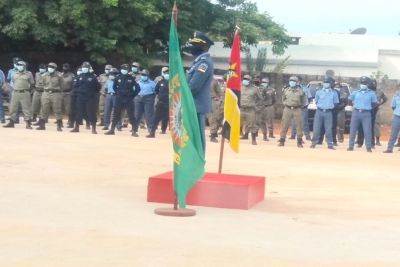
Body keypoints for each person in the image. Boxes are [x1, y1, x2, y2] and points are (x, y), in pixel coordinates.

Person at [186, 30, 214, 154]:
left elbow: (193, 86)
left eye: (195, 45)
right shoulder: (198, 62)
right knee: (191, 135)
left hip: (196, 105)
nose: (192, 47)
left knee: (197, 135)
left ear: (203, 47)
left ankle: (198, 159)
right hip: (192, 104)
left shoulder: (204, 64)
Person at [105, 64, 140, 136]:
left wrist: (132, 95)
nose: (124, 70)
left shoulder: (132, 78)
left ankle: (134, 131)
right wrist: (118, 93)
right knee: (116, 114)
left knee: (131, 115)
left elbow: (138, 89)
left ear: (127, 70)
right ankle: (112, 130)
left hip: (128, 99)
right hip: (119, 98)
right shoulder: (118, 77)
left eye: (125, 69)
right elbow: (114, 87)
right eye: (123, 69)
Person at [347, 76, 378, 152]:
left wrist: (368, 107)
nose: (363, 84)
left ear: (367, 84)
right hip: (356, 112)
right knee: (353, 130)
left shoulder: (371, 93)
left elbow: (375, 104)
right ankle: (351, 146)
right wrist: (355, 106)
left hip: (366, 113)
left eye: (364, 83)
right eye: (362, 83)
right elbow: (349, 101)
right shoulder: (355, 92)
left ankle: (368, 147)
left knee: (367, 130)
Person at [70, 62, 101, 134]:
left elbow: (98, 88)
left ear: (89, 68)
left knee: (91, 112)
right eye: (83, 67)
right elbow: (75, 86)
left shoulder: (93, 77)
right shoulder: (79, 76)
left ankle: (93, 128)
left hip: (90, 97)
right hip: (80, 97)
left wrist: (91, 93)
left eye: (85, 67)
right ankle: (76, 127)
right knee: (78, 112)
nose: (84, 68)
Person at [356, 79, 387, 148]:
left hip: (374, 110)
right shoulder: (365, 91)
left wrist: (379, 104)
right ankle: (360, 142)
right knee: (361, 126)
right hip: (365, 109)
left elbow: (385, 99)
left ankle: (372, 143)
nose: (372, 87)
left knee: (372, 127)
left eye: (373, 86)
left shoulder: (379, 91)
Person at [310, 78, 339, 149]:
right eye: (324, 82)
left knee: (329, 129)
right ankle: (313, 143)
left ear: (330, 84)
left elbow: (336, 103)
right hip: (319, 112)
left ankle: (330, 144)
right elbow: (316, 102)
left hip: (328, 112)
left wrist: (329, 107)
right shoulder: (318, 92)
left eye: (327, 82)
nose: (326, 84)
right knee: (316, 129)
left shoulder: (334, 93)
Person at [3, 61, 34, 129]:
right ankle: (11, 122)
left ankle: (28, 123)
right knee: (13, 108)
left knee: (26, 108)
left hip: (24, 93)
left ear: (24, 66)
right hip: (15, 92)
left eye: (21, 65)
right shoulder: (14, 74)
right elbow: (14, 82)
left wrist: (29, 91)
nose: (19, 66)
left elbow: (32, 84)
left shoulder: (29, 74)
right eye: (18, 65)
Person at [278, 76, 306, 147]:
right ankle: (282, 140)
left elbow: (303, 102)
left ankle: (299, 141)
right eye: (290, 81)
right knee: (284, 125)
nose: (291, 82)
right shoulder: (286, 90)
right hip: (287, 109)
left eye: (293, 81)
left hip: (297, 109)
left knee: (299, 125)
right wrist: (285, 104)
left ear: (297, 83)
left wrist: (299, 107)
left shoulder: (301, 91)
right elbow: (283, 99)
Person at [37, 62, 63, 131]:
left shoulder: (59, 76)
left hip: (56, 93)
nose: (50, 68)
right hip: (46, 93)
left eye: (51, 67)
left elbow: (62, 85)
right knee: (44, 109)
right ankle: (42, 125)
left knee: (57, 109)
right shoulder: (45, 75)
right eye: (49, 67)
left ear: (55, 68)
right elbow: (42, 84)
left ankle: (59, 125)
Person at [317, 77, 343, 146]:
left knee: (333, 127)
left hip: (332, 112)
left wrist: (331, 108)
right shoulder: (320, 91)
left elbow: (337, 102)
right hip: (322, 111)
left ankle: (333, 140)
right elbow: (317, 101)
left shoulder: (335, 92)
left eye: (330, 82)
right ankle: (320, 139)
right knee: (322, 126)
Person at [147, 67, 170, 138]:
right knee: (156, 118)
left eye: (168, 73)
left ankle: (164, 130)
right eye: (165, 73)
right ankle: (152, 133)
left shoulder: (174, 82)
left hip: (170, 103)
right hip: (161, 102)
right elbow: (156, 90)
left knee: (168, 118)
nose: (167, 74)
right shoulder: (160, 82)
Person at [240, 75, 262, 145]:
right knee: (236, 124)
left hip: (250, 110)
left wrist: (254, 104)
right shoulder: (239, 87)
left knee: (252, 125)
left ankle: (253, 139)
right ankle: (232, 139)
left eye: (247, 79)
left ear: (250, 81)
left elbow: (260, 98)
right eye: (244, 79)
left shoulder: (254, 89)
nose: (245, 80)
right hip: (240, 109)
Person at [289, 76, 312, 141]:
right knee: (294, 122)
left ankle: (307, 136)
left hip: (303, 108)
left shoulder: (305, 89)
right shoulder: (289, 89)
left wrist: (305, 104)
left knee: (304, 122)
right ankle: (293, 135)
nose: (293, 82)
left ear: (299, 81)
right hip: (295, 107)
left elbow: (309, 98)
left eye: (295, 81)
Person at [134, 69, 156, 137]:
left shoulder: (152, 83)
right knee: (137, 115)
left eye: (145, 75)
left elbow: (155, 91)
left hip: (148, 98)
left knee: (149, 115)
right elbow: (133, 90)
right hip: (138, 98)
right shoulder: (137, 82)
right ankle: (134, 130)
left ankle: (150, 131)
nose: (143, 76)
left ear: (148, 75)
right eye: (142, 75)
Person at [6, 57, 23, 123]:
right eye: (15, 63)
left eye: (17, 63)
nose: (16, 64)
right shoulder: (10, 71)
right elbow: (8, 80)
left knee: (19, 104)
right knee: (12, 104)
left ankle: (18, 118)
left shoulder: (24, 71)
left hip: (20, 89)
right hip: (12, 89)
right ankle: (13, 117)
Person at [207, 77, 222, 143]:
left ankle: (213, 135)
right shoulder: (198, 78)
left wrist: (216, 99)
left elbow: (219, 91)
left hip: (210, 100)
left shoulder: (214, 81)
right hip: (199, 100)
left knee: (212, 118)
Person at [60, 63, 74, 127]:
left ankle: (70, 120)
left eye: (66, 67)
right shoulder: (60, 75)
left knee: (68, 108)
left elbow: (74, 85)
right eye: (63, 67)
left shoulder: (72, 76)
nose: (64, 68)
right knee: (59, 107)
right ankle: (59, 121)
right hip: (60, 92)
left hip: (68, 93)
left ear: (68, 68)